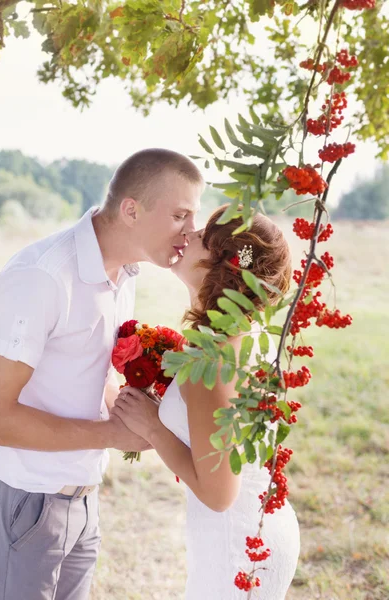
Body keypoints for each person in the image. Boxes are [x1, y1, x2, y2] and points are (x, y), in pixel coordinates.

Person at [0, 148, 204, 600]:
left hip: (84, 499)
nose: (191, 230)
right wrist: (112, 436)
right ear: (131, 209)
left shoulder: (122, 275)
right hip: (26, 501)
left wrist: (138, 412)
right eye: (180, 214)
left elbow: (90, 373)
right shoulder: (42, 277)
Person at [113, 206, 301, 600]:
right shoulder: (242, 335)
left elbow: (219, 495)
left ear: (223, 263)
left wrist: (152, 426)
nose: (189, 234)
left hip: (237, 543)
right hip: (259, 528)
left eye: (202, 234)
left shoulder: (212, 360)